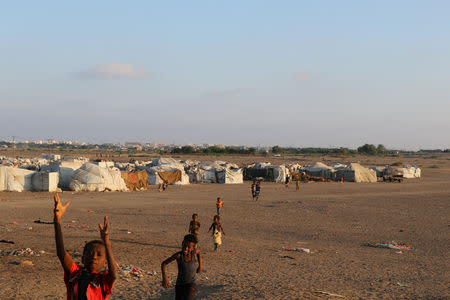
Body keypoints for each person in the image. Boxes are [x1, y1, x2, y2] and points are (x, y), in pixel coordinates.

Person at [53, 193, 117, 300]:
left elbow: (113, 275)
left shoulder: (103, 281)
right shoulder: (74, 273)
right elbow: (61, 254)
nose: (94, 257)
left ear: (105, 262)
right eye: (90, 254)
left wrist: (106, 241)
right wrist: (57, 220)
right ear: (83, 258)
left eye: (99, 255)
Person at [161, 234, 202, 300]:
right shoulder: (179, 255)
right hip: (180, 285)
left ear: (193, 248)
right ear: (182, 243)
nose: (186, 248)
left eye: (189, 247)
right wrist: (164, 278)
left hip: (191, 284)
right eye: (184, 245)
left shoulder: (194, 253)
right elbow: (164, 263)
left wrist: (200, 266)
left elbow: (199, 253)